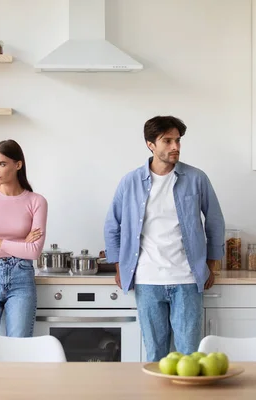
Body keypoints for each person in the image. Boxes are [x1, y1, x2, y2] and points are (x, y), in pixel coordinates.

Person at [103, 115, 225, 362]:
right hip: (147, 280)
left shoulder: (196, 178)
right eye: (167, 141)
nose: (175, 147)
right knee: (156, 356)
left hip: (187, 280)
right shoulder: (130, 182)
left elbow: (215, 221)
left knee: (189, 356)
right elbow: (111, 225)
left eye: (178, 140)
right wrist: (119, 265)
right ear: (151, 144)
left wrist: (210, 265)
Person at [0, 139, 48, 358]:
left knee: (18, 353)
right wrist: (21, 244)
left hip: (21, 278)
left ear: (18, 165)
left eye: (2, 164)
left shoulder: (36, 201)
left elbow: (33, 252)